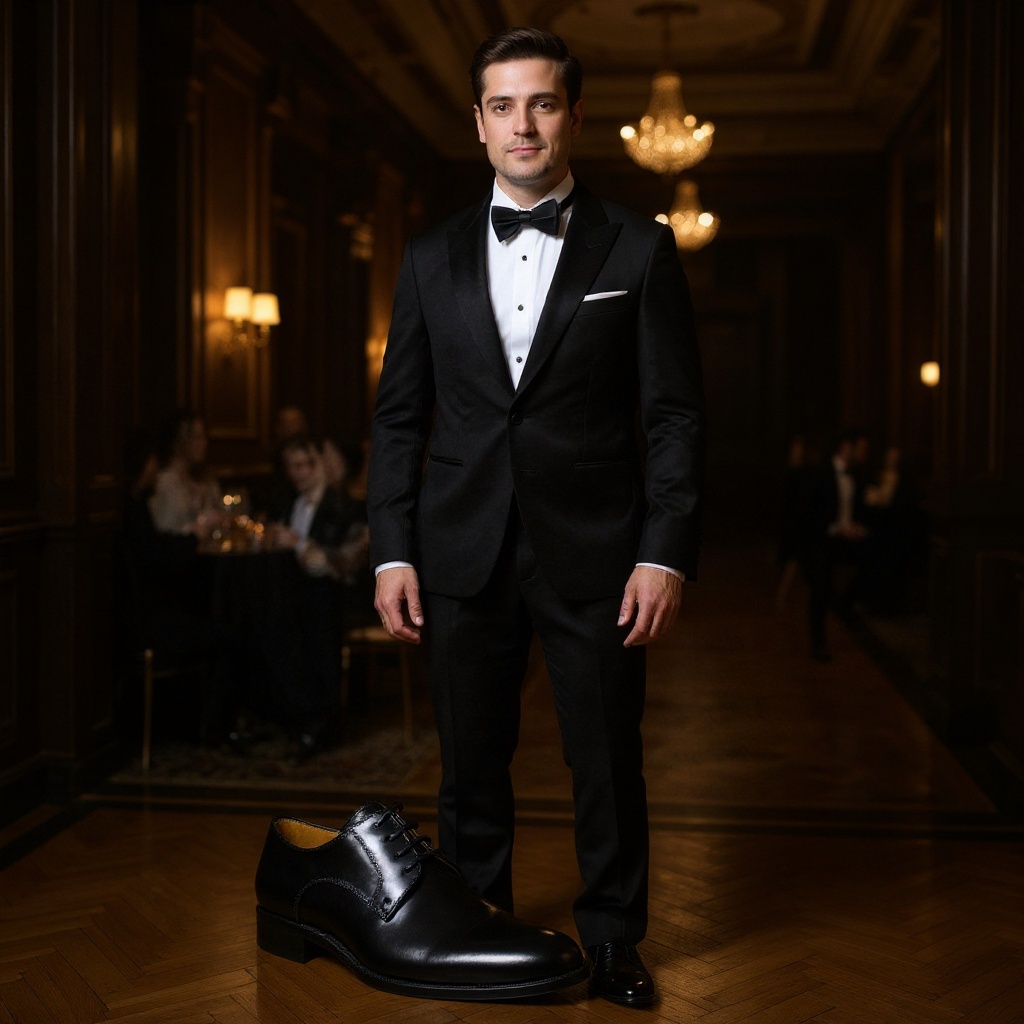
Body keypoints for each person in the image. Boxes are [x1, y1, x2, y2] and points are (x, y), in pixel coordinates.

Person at [366, 27, 705, 1007]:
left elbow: (676, 415)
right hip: (457, 548)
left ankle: (611, 939)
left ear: (574, 115)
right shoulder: (428, 257)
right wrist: (391, 549)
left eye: (542, 102)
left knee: (605, 754)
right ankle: (477, 925)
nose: (523, 122)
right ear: (477, 123)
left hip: (598, 551)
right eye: (503, 106)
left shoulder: (638, 247)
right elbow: (398, 416)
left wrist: (665, 553)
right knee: (469, 762)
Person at [265, 435, 367, 762]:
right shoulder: (285, 503)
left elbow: (341, 565)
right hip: (291, 595)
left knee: (311, 620)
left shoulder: (343, 507)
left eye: (305, 465)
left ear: (319, 463)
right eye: (292, 467)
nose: (299, 474)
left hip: (336, 597)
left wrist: (297, 543)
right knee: (269, 623)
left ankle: (318, 725)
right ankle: (296, 721)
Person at [799, 427, 871, 660]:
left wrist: (856, 527)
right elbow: (810, 513)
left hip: (845, 541)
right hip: (823, 541)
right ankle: (818, 643)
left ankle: (846, 613)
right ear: (846, 448)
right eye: (858, 449)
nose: (861, 455)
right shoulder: (821, 473)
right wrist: (838, 528)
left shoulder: (855, 476)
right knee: (820, 589)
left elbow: (852, 509)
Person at [148, 409, 226, 538]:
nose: (203, 443)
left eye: (204, 437)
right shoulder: (164, 483)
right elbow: (166, 532)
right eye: (196, 438)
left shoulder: (206, 480)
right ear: (178, 441)